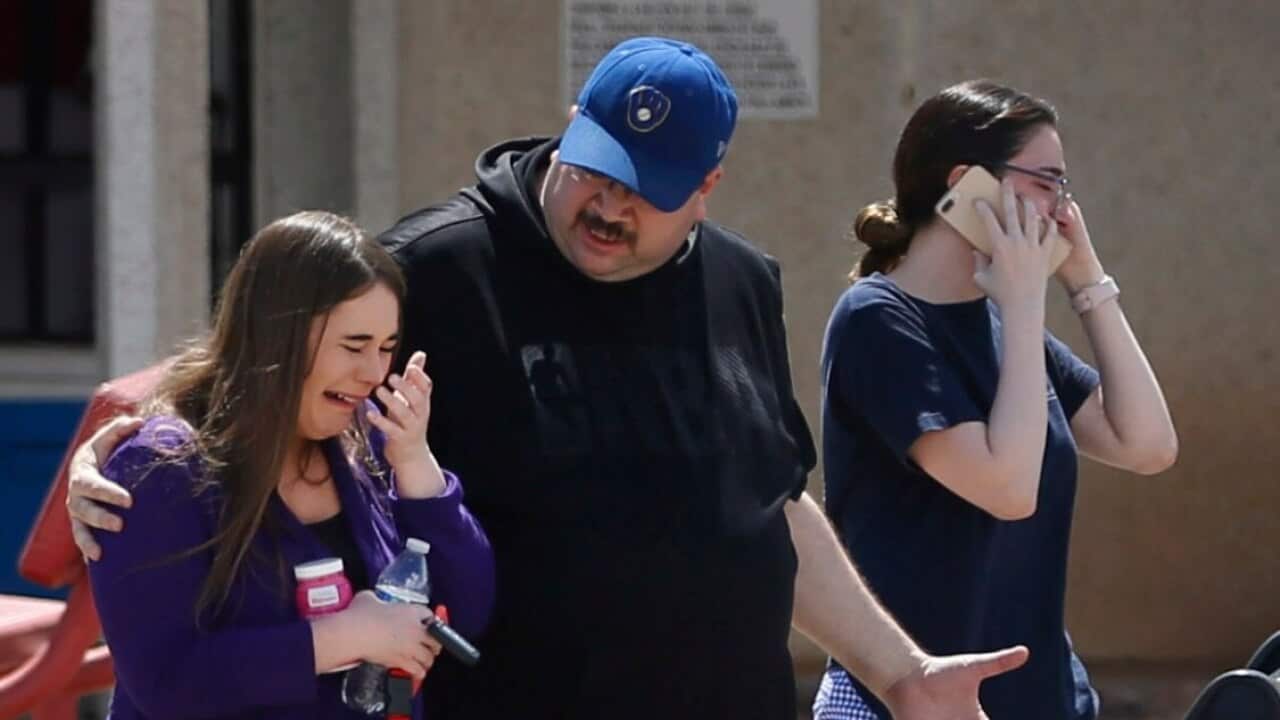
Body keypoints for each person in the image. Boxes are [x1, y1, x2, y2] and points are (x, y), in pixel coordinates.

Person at [68, 39, 1025, 719]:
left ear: (705, 189)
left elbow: (773, 502)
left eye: (645, 190)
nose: (608, 204)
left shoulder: (742, 283)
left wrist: (900, 674)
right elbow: (286, 357)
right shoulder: (441, 267)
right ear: (571, 128)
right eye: (596, 167)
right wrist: (135, 437)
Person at [813, 80, 1178, 719]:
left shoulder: (1010, 327)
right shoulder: (878, 321)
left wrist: (1085, 276)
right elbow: (1008, 489)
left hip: (1043, 700)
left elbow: (1147, 444)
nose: (1062, 207)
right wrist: (1025, 298)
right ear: (969, 183)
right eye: (1048, 182)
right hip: (922, 704)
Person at [83, 211, 496, 719]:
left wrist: (415, 463)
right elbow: (166, 682)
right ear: (277, 335)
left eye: (387, 347)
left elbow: (469, 609)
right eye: (354, 345)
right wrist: (340, 638)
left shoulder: (367, 436)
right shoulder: (161, 470)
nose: (372, 373)